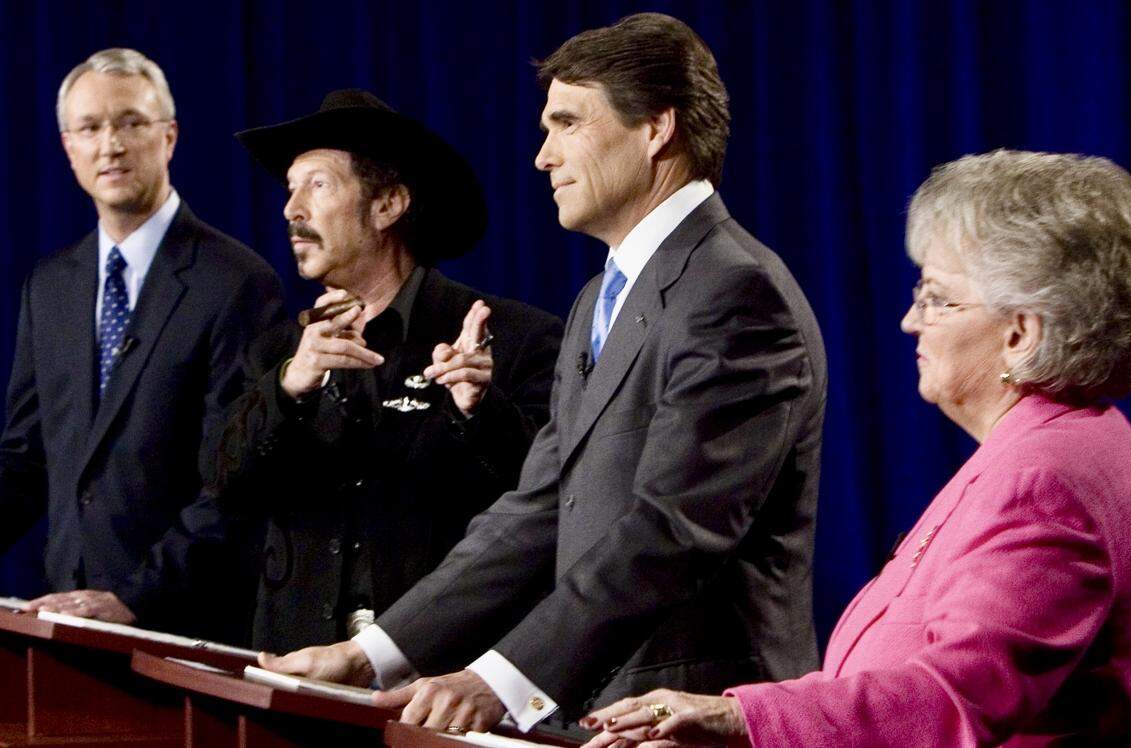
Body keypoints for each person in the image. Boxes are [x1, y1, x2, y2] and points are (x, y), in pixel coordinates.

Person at [260, 12, 827, 734]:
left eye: (567, 124)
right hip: (598, 713)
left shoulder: (735, 292)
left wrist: (500, 680)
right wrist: (368, 655)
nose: (542, 157)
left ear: (656, 129)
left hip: (687, 715)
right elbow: (537, 509)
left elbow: (672, 530)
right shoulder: (600, 297)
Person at [583, 149, 1131, 747]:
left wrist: (740, 719)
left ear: (1020, 334)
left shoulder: (1043, 481)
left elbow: (951, 700)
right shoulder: (1057, 444)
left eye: (937, 298)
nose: (910, 320)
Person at [216, 89, 563, 653]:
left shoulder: (513, 337)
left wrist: (479, 412)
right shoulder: (278, 352)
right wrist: (290, 388)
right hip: (301, 661)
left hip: (442, 670)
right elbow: (224, 483)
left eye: (317, 185)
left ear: (387, 206)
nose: (291, 210)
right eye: (290, 189)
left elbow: (551, 503)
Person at [0, 48, 284, 637]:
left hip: (188, 623)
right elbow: (25, 460)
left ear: (169, 137)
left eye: (130, 122)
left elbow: (237, 480)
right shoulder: (48, 287)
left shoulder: (235, 282)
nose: (111, 145)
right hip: (67, 620)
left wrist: (133, 598)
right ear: (68, 147)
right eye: (90, 128)